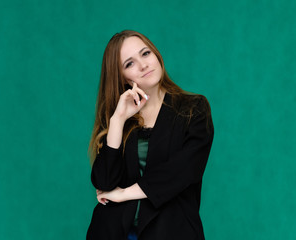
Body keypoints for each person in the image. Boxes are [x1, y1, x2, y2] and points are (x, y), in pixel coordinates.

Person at [86, 30, 214, 240]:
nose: (143, 64)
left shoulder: (194, 109)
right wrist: (117, 121)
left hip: (172, 232)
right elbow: (105, 181)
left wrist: (123, 194)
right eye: (130, 63)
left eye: (145, 54)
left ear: (155, 54)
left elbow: (183, 171)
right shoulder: (121, 116)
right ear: (122, 78)